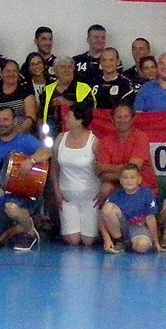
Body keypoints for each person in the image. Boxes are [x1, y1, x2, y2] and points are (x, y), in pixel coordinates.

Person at [0, 105, 49, 251]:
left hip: (27, 196)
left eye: (6, 119)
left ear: (15, 121)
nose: (1, 123)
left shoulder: (26, 140)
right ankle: (19, 228)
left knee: (13, 208)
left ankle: (30, 232)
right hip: (2, 201)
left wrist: (31, 160)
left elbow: (47, 151)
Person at [52, 102, 101, 247]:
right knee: (73, 240)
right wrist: (57, 192)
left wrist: (103, 192)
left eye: (70, 116)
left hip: (90, 197)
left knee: (88, 240)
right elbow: (54, 167)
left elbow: (101, 169)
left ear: (80, 120)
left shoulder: (94, 142)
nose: (66, 118)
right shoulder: (60, 138)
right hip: (67, 197)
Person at [97, 102, 157, 199]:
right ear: (112, 120)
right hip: (119, 186)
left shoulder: (141, 137)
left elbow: (133, 169)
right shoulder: (104, 141)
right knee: (106, 188)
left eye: (126, 117)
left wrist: (105, 167)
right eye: (119, 117)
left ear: (133, 119)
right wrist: (106, 171)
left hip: (143, 186)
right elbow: (104, 176)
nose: (122, 120)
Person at [100, 164, 163, 254]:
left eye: (132, 177)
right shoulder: (116, 194)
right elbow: (103, 217)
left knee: (142, 246)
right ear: (120, 180)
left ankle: (131, 243)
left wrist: (156, 242)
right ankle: (120, 241)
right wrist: (106, 239)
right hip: (123, 228)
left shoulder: (146, 193)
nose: (129, 181)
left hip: (139, 227)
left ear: (139, 179)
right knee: (107, 208)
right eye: (125, 178)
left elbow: (150, 218)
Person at [38, 57, 95, 137]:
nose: (66, 70)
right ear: (55, 71)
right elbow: (40, 116)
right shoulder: (47, 90)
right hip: (51, 136)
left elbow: (90, 111)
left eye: (69, 67)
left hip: (76, 135)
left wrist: (67, 103)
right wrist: (42, 134)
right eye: (62, 67)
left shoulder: (84, 88)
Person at [0, 60, 38, 133]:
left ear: (18, 74)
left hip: (20, 135)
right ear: (1, 74)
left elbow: (30, 118)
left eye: (14, 71)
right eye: (7, 71)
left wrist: (15, 134)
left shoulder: (25, 90)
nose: (11, 74)